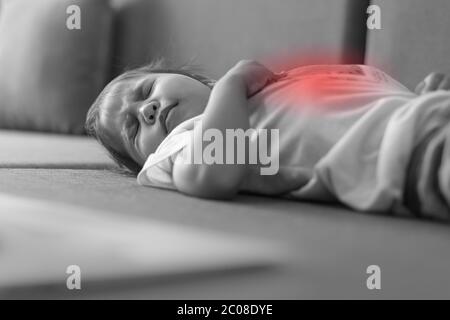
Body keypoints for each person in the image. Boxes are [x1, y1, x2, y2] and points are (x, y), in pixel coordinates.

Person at [85, 59, 450, 220]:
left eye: (147, 90)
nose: (146, 110)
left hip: (422, 115)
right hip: (403, 157)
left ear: (186, 76)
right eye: (134, 129)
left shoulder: (264, 85)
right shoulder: (184, 141)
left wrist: (419, 96)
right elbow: (211, 176)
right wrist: (233, 84)